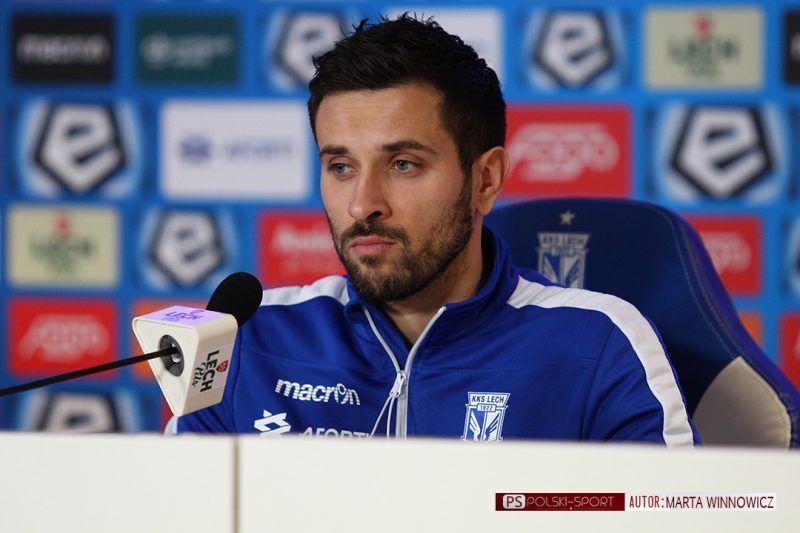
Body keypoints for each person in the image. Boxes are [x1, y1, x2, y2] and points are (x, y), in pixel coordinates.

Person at [175, 15, 698, 445]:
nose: (363, 204)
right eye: (341, 167)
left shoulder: (599, 344)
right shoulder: (246, 339)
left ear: (485, 180)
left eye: (402, 164)